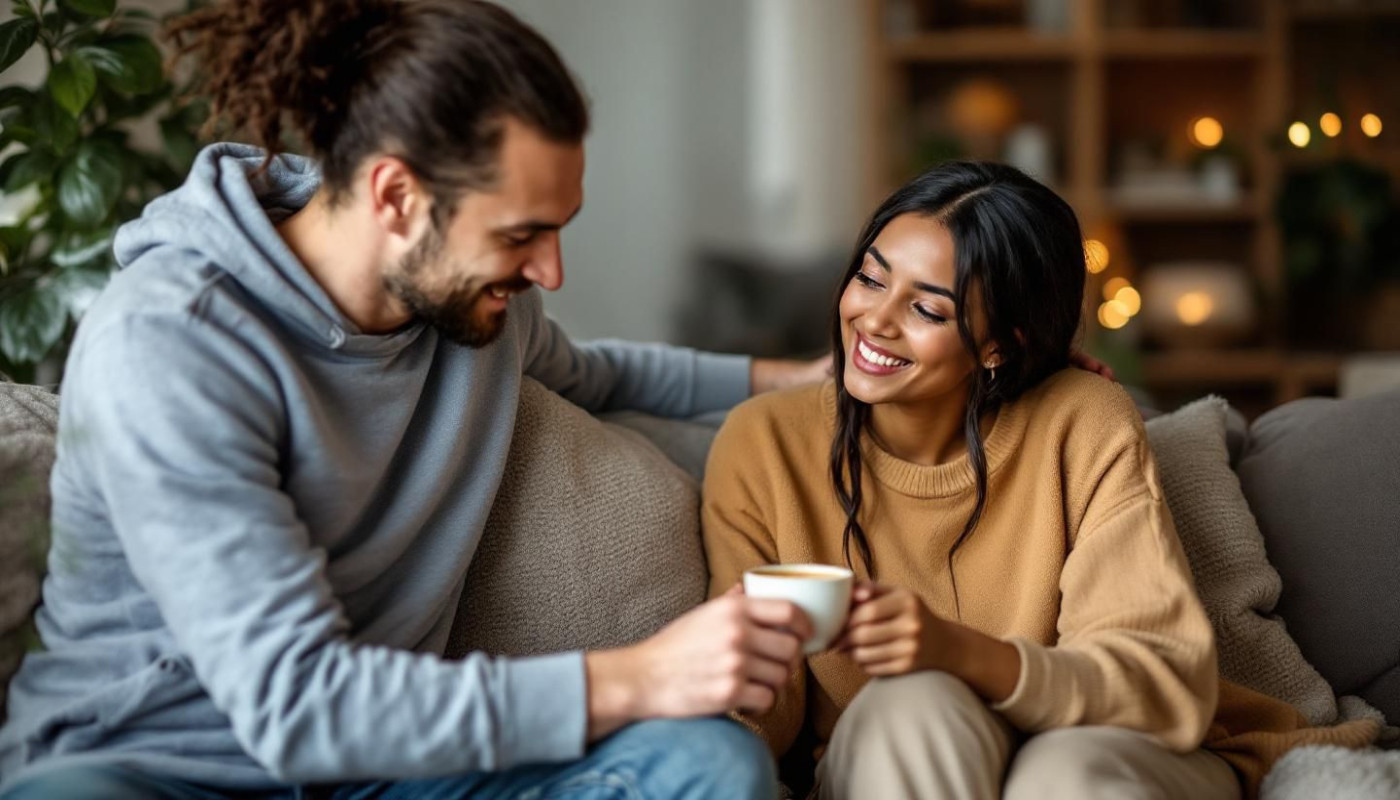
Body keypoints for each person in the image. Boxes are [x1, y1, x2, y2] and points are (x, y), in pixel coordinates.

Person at [0, 1, 832, 798]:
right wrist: (639, 676)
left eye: (557, 227)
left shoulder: (478, 311)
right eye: (519, 234)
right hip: (150, 768)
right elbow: (296, 705)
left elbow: (601, 374)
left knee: (707, 764)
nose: (551, 271)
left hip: (383, 772)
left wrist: (796, 379)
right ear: (396, 196)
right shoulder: (173, 342)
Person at [702, 161, 1378, 800]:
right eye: (871, 279)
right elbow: (752, 701)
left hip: (1108, 743)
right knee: (909, 700)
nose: (874, 319)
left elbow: (1157, 677)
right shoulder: (766, 443)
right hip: (902, 750)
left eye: (927, 309)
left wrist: (957, 650)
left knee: (1064, 775)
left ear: (1001, 344)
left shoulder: (1079, 420)